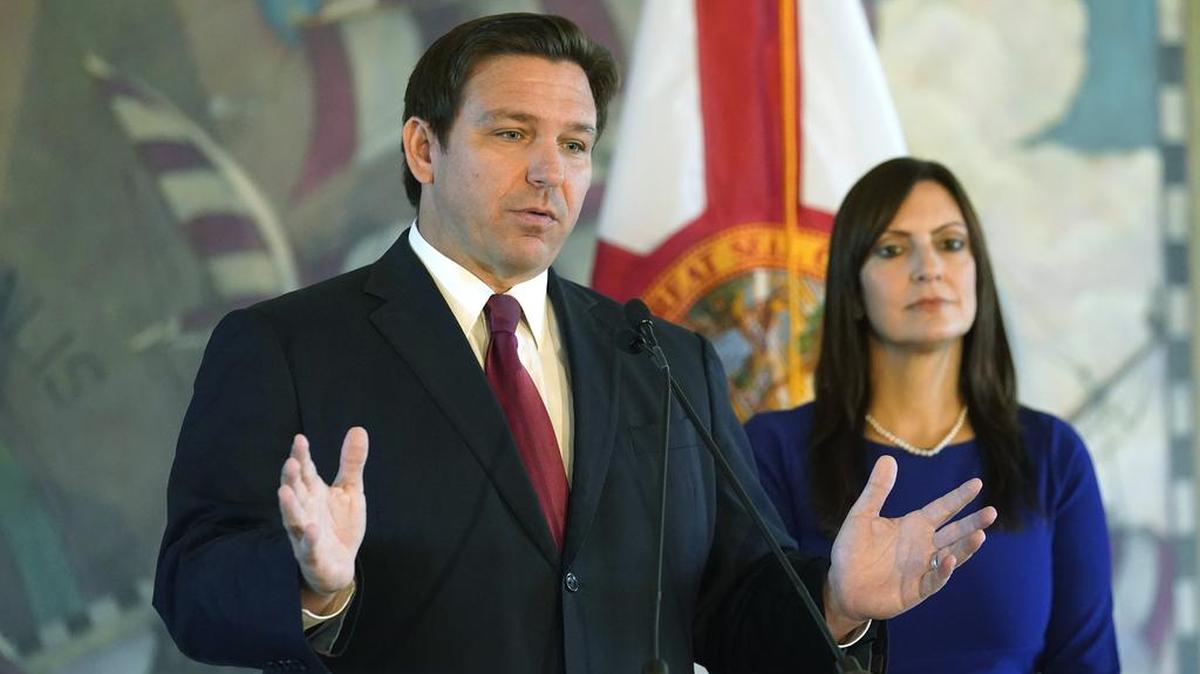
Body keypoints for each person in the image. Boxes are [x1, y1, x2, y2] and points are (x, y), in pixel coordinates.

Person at [154, 16, 996, 673]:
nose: (549, 172)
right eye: (512, 134)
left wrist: (838, 602)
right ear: (423, 148)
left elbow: (736, 602)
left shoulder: (662, 360)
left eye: (575, 143)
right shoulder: (284, 345)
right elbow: (192, 586)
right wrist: (314, 586)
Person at [746, 157, 1120, 673]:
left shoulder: (1051, 452)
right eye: (893, 249)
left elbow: (1088, 664)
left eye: (950, 243)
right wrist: (838, 606)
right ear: (853, 290)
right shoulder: (774, 448)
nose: (929, 267)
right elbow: (744, 656)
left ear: (976, 273)